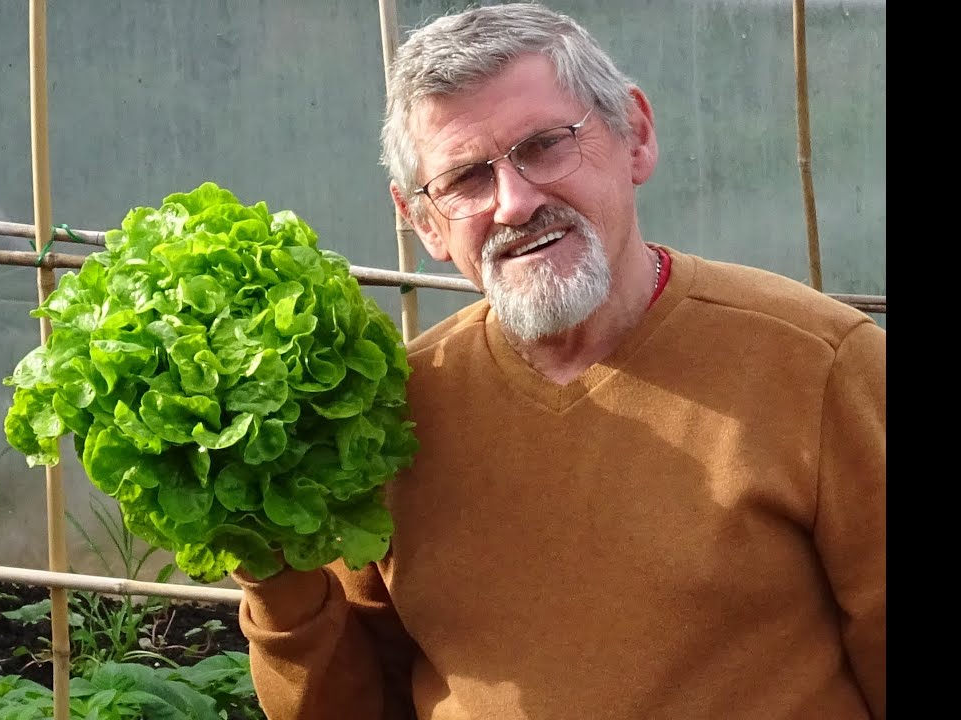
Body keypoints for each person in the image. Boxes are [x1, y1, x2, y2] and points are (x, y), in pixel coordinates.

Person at [232, 4, 886, 719]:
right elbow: (348, 703)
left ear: (635, 134)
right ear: (422, 220)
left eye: (545, 146)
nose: (514, 203)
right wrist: (274, 574)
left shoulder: (819, 364)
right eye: (466, 179)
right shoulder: (389, 416)